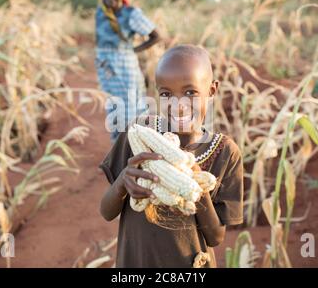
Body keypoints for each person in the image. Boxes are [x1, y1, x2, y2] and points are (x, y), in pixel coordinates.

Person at [99, 45, 244, 268]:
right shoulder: (139, 134)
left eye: (190, 92)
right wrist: (122, 183)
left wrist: (197, 188)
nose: (177, 106)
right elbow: (106, 212)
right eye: (166, 94)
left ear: (212, 90)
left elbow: (216, 237)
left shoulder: (225, 152)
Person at [95, 0, 160, 142]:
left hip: (125, 69)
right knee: (114, 110)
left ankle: (134, 150)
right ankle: (119, 155)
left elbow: (156, 36)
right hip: (106, 69)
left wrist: (132, 50)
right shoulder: (100, 13)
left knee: (130, 111)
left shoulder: (131, 14)